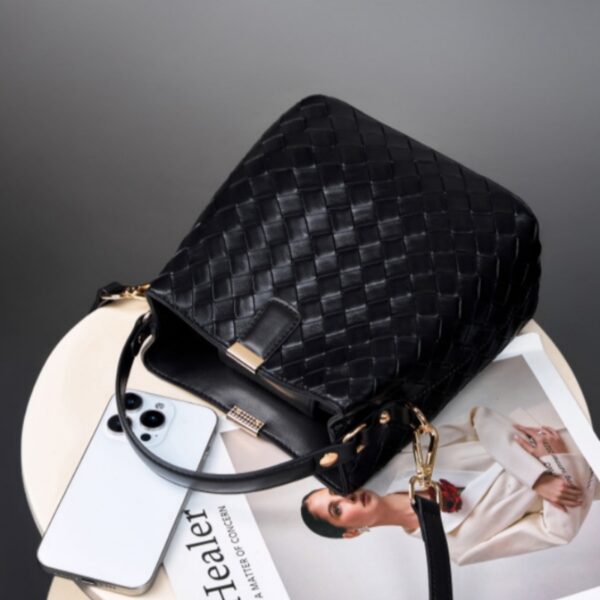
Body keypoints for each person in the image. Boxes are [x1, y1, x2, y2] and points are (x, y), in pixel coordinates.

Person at [300, 404, 598, 565]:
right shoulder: (456, 548)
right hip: (592, 474)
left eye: (337, 493)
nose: (348, 498)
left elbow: (479, 418)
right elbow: (557, 532)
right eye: (337, 509)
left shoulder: (403, 459)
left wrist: (538, 477)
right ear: (352, 533)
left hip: (568, 413)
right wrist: (556, 462)